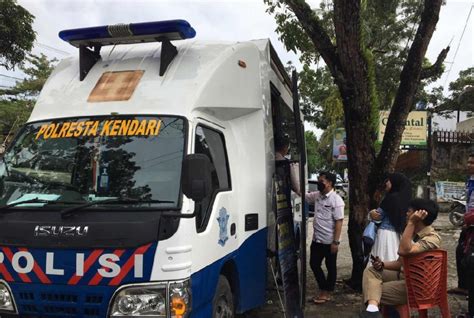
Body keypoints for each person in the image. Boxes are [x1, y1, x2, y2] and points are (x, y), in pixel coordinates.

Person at [356, 198, 441, 318]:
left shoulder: (432, 238)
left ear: (419, 215)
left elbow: (403, 251)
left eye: (409, 211)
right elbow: (399, 263)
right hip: (405, 277)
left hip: (418, 287)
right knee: (371, 271)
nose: (406, 214)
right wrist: (383, 264)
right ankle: (373, 310)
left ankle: (372, 310)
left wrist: (411, 223)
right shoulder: (412, 234)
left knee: (370, 291)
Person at [306, 171, 345, 304]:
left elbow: (339, 221)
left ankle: (326, 292)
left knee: (330, 266)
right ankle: (324, 288)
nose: (319, 183)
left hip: (329, 241)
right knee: (314, 264)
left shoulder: (336, 200)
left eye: (321, 181)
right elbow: (304, 196)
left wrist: (336, 242)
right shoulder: (317, 196)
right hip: (317, 239)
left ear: (329, 183)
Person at [368, 173, 412, 263]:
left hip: (384, 234)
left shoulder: (390, 198)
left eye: (388, 181)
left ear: (394, 182)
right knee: (393, 259)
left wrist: (371, 213)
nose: (386, 183)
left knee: (380, 260)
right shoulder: (405, 200)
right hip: (396, 235)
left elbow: (378, 216)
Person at [452, 152, 474, 318]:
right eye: (469, 162)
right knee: (461, 253)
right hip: (469, 225)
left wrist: (468, 218)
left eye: (472, 162)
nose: (469, 165)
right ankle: (464, 286)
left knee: (469, 259)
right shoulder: (470, 181)